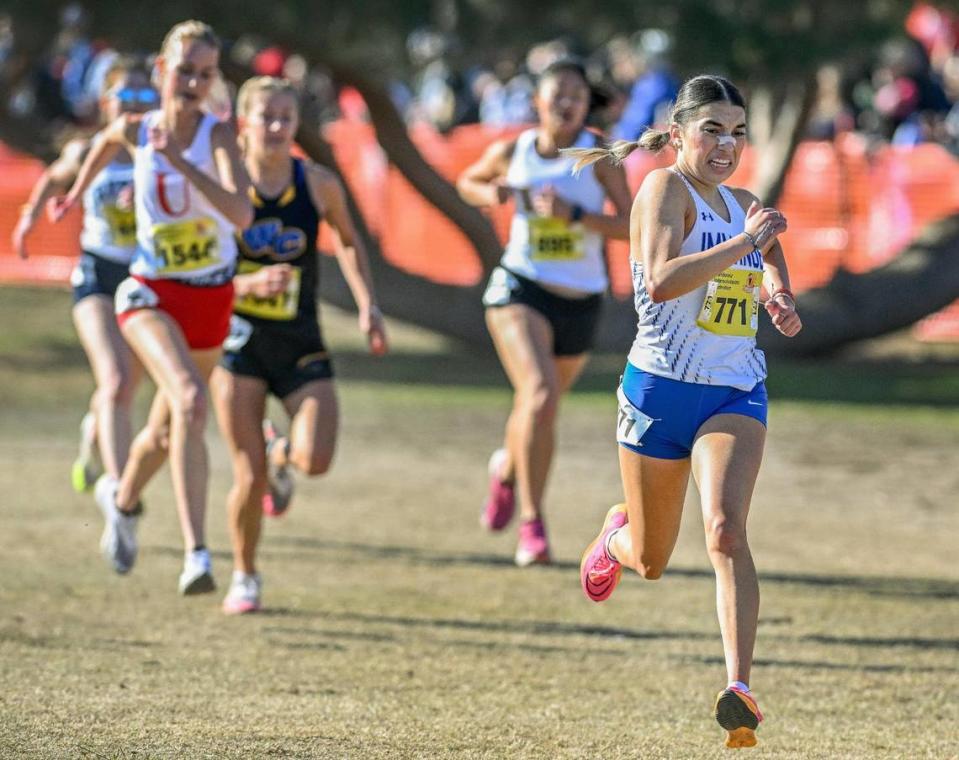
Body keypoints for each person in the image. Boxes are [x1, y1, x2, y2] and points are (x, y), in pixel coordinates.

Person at [570, 74, 802, 748]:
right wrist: (745, 245)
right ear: (678, 135)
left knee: (726, 529)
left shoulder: (744, 202)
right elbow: (666, 276)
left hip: (733, 392)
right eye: (712, 130)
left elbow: (768, 250)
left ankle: (739, 687)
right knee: (649, 558)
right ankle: (615, 535)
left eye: (736, 131)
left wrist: (777, 296)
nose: (726, 145)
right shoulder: (661, 190)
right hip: (657, 391)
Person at [50, 20, 253, 595]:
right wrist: (73, 193)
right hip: (149, 292)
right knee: (191, 400)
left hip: (210, 294)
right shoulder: (137, 129)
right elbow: (104, 142)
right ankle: (198, 556)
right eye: (184, 70)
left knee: (166, 433)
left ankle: (121, 498)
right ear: (163, 72)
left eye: (205, 74)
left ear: (215, 81)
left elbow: (241, 215)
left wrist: (183, 165)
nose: (192, 82)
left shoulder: (216, 136)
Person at [210, 76, 388, 615]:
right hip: (236, 341)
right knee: (247, 475)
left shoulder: (316, 184)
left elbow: (352, 243)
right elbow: (198, 267)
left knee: (316, 459)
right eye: (265, 116)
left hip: (300, 341)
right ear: (244, 120)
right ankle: (244, 575)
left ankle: (279, 450)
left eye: (286, 117)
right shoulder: (223, 183)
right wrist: (245, 285)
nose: (276, 126)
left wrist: (367, 305)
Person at [457, 60, 631, 566]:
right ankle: (532, 525)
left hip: (581, 300)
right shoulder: (515, 150)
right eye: (558, 93)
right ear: (538, 101)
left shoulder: (599, 156)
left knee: (540, 406)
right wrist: (492, 193)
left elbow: (633, 225)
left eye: (577, 94)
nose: (567, 103)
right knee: (538, 393)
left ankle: (507, 470)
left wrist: (575, 216)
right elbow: (468, 180)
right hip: (520, 288)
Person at [12, 56, 156, 494]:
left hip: (147, 279)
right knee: (113, 379)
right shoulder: (85, 151)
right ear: (104, 101)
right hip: (97, 274)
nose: (133, 105)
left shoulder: (162, 153)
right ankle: (118, 492)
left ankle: (93, 436)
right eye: (124, 95)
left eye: (143, 95)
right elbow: (53, 180)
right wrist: (28, 221)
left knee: (124, 388)